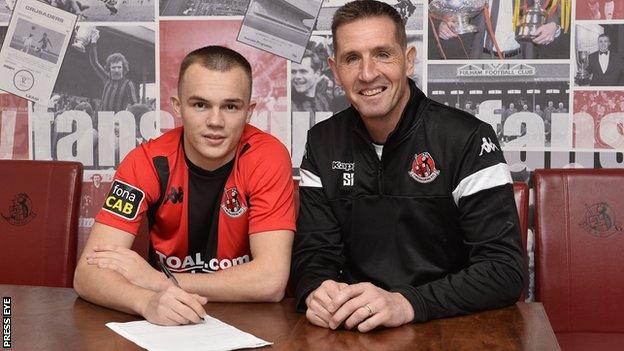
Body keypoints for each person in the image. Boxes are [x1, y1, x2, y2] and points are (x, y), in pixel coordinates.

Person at [292, 0, 524, 333]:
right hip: (356, 329)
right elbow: (314, 253)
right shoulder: (322, 142)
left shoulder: (467, 138)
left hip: (452, 328)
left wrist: (407, 303)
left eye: (382, 54)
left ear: (409, 60)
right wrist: (318, 290)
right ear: (335, 70)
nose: (368, 73)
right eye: (352, 58)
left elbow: (504, 271)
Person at [74, 46, 296, 326]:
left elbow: (270, 281)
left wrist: (157, 280)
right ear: (178, 107)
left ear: (249, 111)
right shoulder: (146, 162)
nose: (215, 122)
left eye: (230, 106)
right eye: (200, 105)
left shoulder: (267, 155)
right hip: (168, 315)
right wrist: (146, 301)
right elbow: (87, 275)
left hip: (252, 320)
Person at [437, 0, 564, 59]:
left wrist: (554, 25)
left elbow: (555, 6)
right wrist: (444, 24)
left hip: (521, 57)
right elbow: (453, 8)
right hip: (480, 57)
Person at [88, 30, 138, 112]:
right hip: (102, 119)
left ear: (123, 68)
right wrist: (93, 42)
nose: (116, 70)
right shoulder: (107, 78)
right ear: (109, 69)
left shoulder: (128, 84)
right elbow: (95, 62)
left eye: (119, 67)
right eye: (113, 67)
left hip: (117, 121)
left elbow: (134, 105)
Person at [292, 50, 331, 115]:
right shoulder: (287, 105)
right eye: (293, 72)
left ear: (317, 74)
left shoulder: (323, 101)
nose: (297, 76)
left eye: (303, 71)